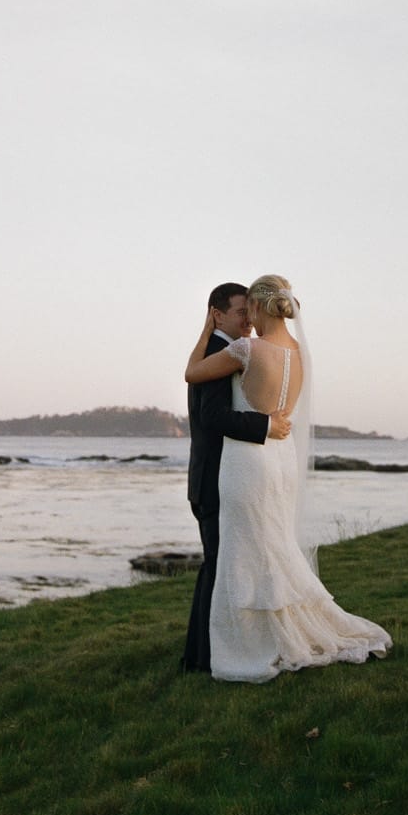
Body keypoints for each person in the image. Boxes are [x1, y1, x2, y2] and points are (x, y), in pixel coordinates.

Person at [184, 275, 390, 682]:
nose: (246, 320)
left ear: (259, 308)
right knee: (274, 550)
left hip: (248, 464)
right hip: (281, 461)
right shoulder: (299, 353)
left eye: (248, 312)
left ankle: (246, 644)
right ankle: (274, 632)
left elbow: (191, 374)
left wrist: (208, 329)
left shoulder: (246, 349)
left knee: (244, 556)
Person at [180, 282, 291, 673]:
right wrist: (265, 425)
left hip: (225, 474)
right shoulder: (217, 353)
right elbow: (212, 417)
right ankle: (202, 658)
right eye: (241, 311)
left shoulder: (221, 350)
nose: (249, 318)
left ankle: (204, 655)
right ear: (217, 314)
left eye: (251, 311)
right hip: (212, 478)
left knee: (221, 567)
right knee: (217, 568)